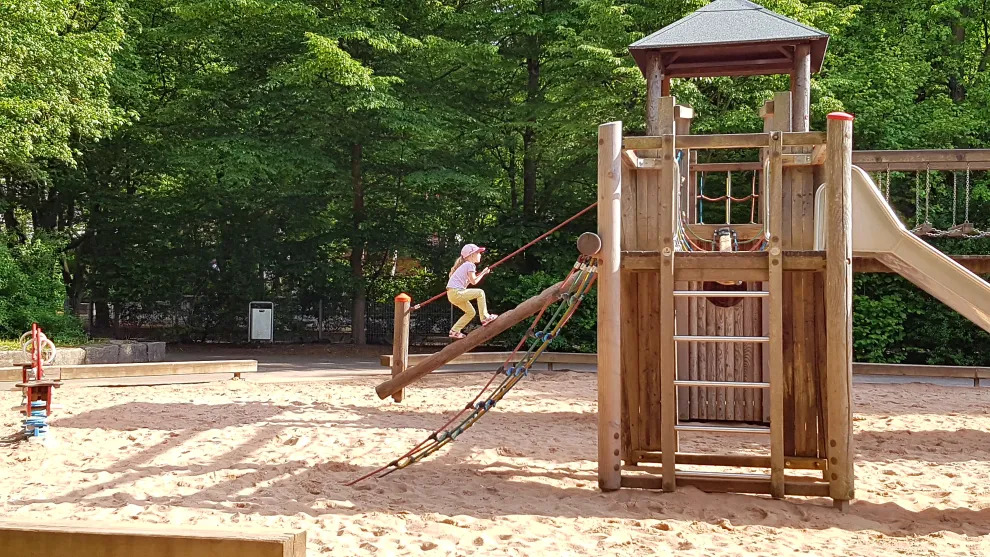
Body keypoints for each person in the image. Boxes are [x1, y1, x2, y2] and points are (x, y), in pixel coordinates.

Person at [446, 243, 498, 339]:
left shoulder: (465, 265)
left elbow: (470, 281)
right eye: (478, 253)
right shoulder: (470, 265)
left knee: (471, 312)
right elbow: (474, 282)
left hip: (452, 294)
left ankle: (455, 330)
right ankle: (485, 317)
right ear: (471, 255)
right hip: (457, 292)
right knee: (480, 292)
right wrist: (483, 273)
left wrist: (482, 273)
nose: (480, 255)